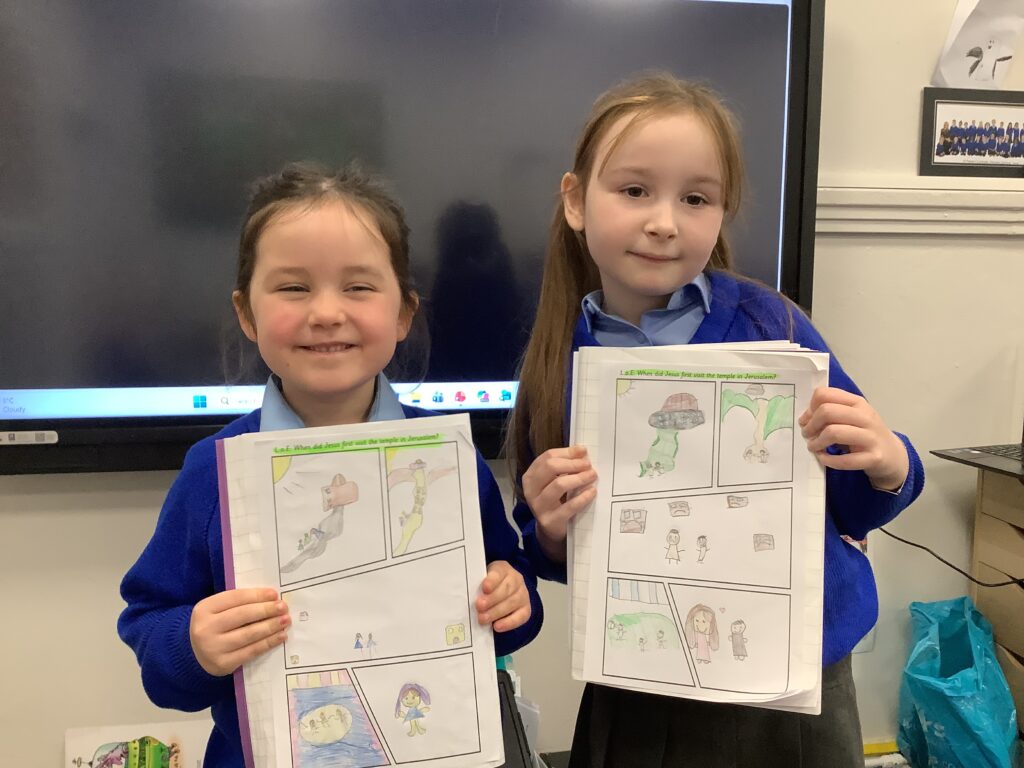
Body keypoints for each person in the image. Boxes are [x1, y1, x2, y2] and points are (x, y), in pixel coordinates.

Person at [508, 73, 924, 767]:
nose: (664, 221)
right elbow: (550, 545)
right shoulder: (559, 362)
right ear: (576, 201)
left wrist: (890, 463)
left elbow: (854, 502)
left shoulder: (773, 326)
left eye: (695, 199)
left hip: (794, 681)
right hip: (643, 681)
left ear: (722, 212)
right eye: (634, 190)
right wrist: (549, 528)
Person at [119, 162, 543, 766]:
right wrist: (193, 645)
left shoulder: (446, 459)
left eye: (358, 287)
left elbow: (511, 596)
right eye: (293, 288)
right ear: (247, 313)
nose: (325, 312)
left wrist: (512, 599)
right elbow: (152, 632)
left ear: (403, 314)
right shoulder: (213, 472)